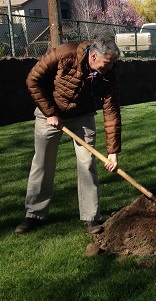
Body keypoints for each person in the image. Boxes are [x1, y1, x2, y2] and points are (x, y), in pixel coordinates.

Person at [15, 38, 121, 234]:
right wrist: (50, 113)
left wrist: (113, 152)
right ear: (94, 56)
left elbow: (111, 109)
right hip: (50, 114)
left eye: (113, 63)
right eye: (107, 64)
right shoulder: (64, 54)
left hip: (82, 116)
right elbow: (33, 80)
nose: (110, 68)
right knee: (42, 162)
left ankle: (91, 218)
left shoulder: (108, 74)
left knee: (87, 163)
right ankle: (33, 215)